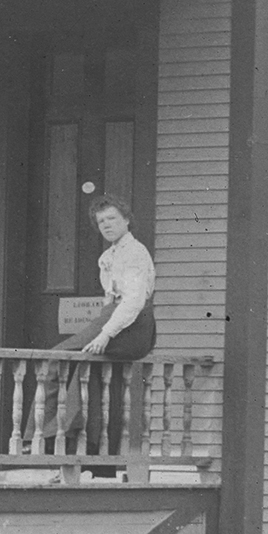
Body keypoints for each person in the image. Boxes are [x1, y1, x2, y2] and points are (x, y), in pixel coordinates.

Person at [38, 192, 157, 459]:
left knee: (59, 357)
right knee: (68, 361)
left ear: (127, 220)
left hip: (133, 326)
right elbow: (110, 299)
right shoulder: (110, 255)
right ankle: (64, 434)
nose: (106, 225)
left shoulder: (135, 253)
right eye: (101, 221)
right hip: (114, 317)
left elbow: (133, 302)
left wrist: (105, 334)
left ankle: (56, 433)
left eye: (112, 218)